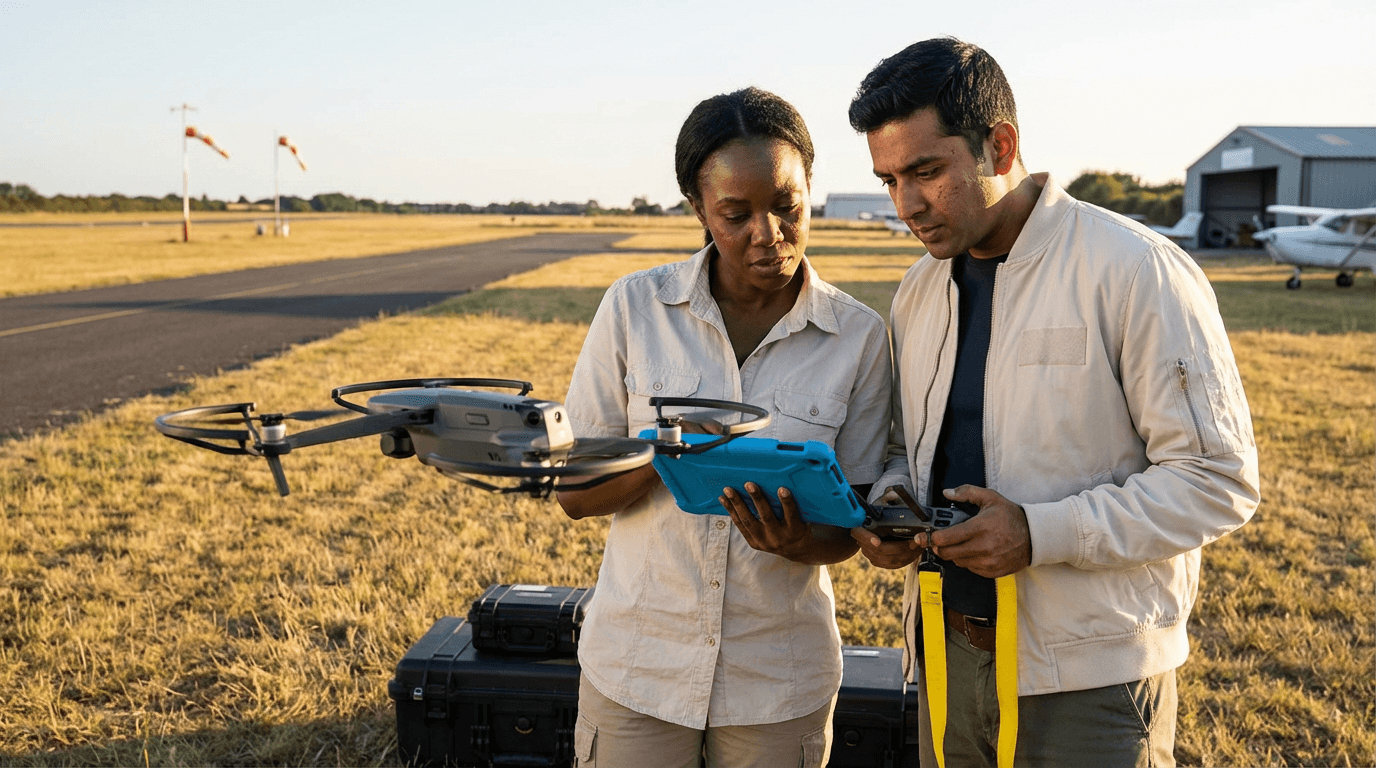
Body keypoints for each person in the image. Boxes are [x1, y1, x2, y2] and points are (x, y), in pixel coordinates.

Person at [845, 38, 1260, 767]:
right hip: (945, 657)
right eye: (887, 180)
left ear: (998, 145)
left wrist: (1041, 533)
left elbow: (1216, 481)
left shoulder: (1134, 270)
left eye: (925, 172)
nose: (906, 204)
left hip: (1090, 679)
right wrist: (889, 508)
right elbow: (907, 450)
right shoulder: (918, 291)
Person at [556, 86, 892, 768]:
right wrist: (671, 451)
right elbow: (574, 492)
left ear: (810, 190)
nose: (767, 235)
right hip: (636, 672)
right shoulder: (634, 308)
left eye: (788, 207)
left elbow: (849, 530)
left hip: (778, 684)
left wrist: (800, 542)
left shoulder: (859, 336)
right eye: (735, 215)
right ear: (698, 209)